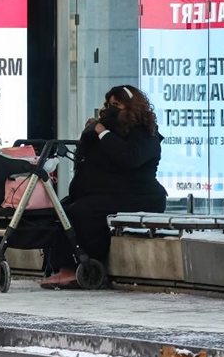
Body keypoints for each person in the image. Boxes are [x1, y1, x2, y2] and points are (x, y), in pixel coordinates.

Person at [41, 85, 167, 287]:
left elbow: (128, 157)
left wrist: (102, 132)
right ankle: (62, 266)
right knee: (63, 210)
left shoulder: (146, 133)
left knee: (82, 213)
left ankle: (77, 267)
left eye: (116, 105)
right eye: (109, 105)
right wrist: (93, 134)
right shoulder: (109, 130)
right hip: (111, 194)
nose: (110, 110)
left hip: (140, 196)